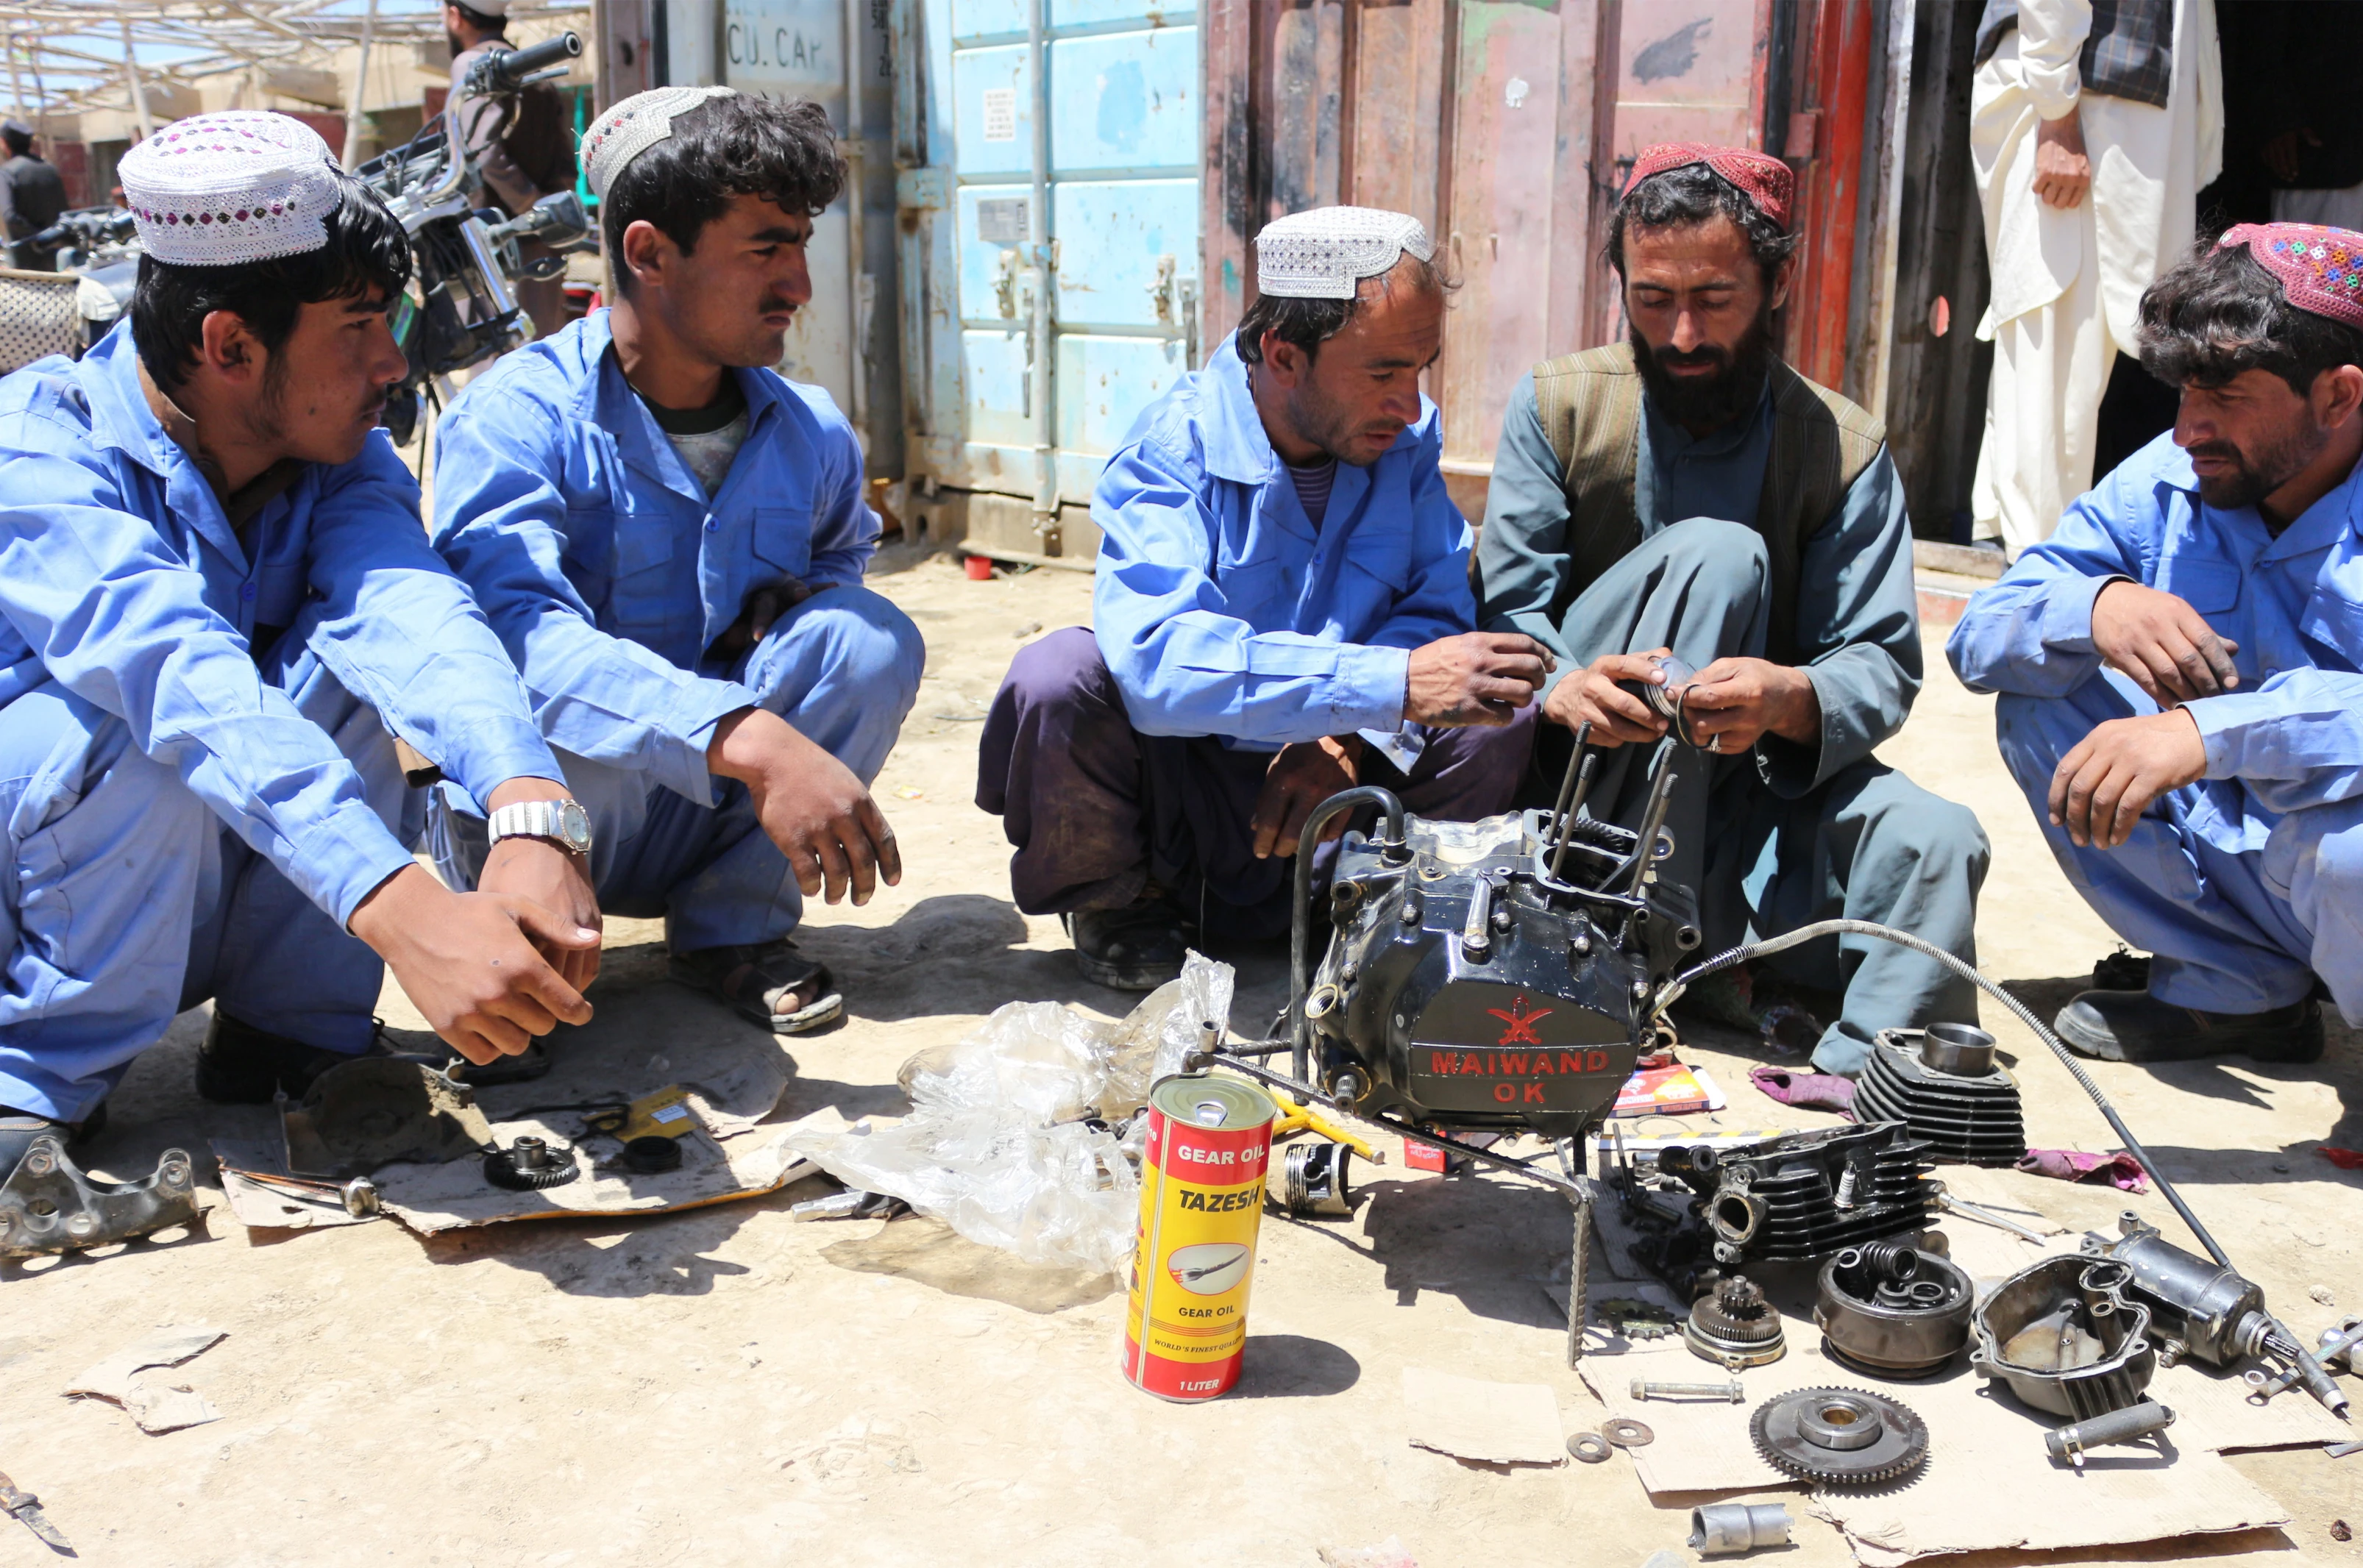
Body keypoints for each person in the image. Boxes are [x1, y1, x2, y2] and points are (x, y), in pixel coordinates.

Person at [0, 113, 600, 1171]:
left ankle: (285, 1036)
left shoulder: (331, 450)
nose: (391, 361)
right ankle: (33, 1087)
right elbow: (179, 677)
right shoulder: (38, 450)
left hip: (169, 894)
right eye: (359, 326)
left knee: (344, 675)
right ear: (231, 345)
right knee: (133, 725)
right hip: (42, 891)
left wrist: (528, 810)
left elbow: (415, 616)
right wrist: (403, 906)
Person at [1477, 143, 1990, 1077]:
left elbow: (1876, 660)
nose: (1679, 335)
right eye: (1651, 299)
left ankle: (1865, 1079)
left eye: (1712, 300)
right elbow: (1512, 614)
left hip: (1748, 797)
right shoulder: (1557, 407)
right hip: (1585, 806)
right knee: (1719, 554)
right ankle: (1621, 939)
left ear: (1777, 280)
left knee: (1935, 838)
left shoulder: (1839, 446)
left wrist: (1786, 697)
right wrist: (1563, 685)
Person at [431, 88, 922, 1036]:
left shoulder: (807, 427)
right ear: (649, 252)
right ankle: (519, 959)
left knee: (866, 640)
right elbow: (511, 636)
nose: (799, 285)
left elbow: (841, 553)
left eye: (800, 246)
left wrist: (803, 603)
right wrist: (750, 736)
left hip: (713, 808)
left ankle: (729, 933)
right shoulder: (517, 419)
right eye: (765, 249)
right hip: (563, 816)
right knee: (546, 711)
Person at [978, 206, 1552, 991]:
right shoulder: (1168, 451)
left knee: (1497, 705)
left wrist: (1351, 736)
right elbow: (1157, 667)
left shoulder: (1404, 444)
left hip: (1339, 798)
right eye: (1382, 372)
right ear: (1283, 356)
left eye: (1420, 368)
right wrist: (1380, 688)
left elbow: (1434, 608)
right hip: (1192, 796)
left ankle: (1379, 909)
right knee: (1059, 674)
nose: (1407, 401)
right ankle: (1121, 903)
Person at [1950, 223, 2363, 1066]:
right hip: (2251, 857)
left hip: (2332, 855)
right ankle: (2236, 989)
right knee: (2040, 696)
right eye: (2182, 393)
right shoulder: (2168, 476)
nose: (2187, 430)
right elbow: (1977, 636)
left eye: (2226, 397)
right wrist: (2094, 605)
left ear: (2337, 396)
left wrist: (2207, 731)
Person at [1969, 0, 2222, 557]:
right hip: (2080, 109)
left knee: (2058, 336)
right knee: (2055, 330)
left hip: (2115, 108)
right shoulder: (2062, 112)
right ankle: (2038, 553)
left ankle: (2005, 526)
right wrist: (2057, 117)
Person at [444, 0, 576, 338]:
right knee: (542, 352)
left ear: (456, 17)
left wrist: (528, 204)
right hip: (543, 241)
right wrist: (550, 210)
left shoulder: (472, 64)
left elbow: (483, 153)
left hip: (495, 243)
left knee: (494, 359)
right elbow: (564, 153)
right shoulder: (532, 66)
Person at [1, 118, 69, 272]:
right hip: (56, 254)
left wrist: (38, 236)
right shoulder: (50, 169)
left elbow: (9, 216)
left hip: (26, 260)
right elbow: (64, 211)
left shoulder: (7, 173)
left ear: (4, 143)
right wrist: (50, 236)